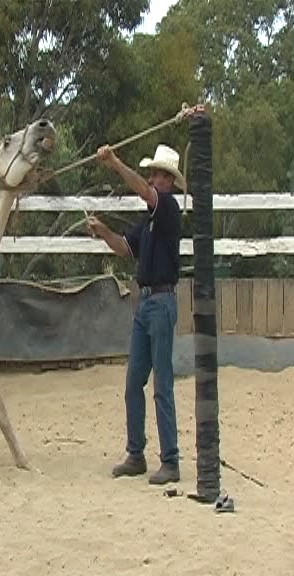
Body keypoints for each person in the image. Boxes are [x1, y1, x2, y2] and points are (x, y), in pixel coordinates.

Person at [87, 143, 184, 485]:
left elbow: (142, 190)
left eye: (159, 175)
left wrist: (114, 163)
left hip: (159, 302)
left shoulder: (168, 208)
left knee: (162, 384)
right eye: (154, 174)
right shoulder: (150, 221)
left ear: (169, 182)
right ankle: (137, 453)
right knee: (134, 383)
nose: (153, 179)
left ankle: (170, 460)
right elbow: (124, 248)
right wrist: (103, 233)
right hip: (146, 304)